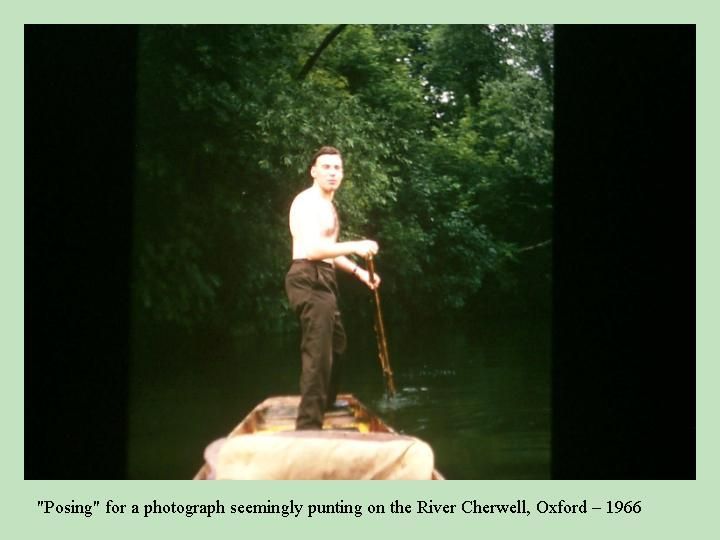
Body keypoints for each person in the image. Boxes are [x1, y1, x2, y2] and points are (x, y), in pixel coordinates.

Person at [285, 146, 380, 430]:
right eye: (325, 167)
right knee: (319, 353)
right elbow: (313, 249)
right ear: (313, 171)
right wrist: (357, 245)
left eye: (337, 168)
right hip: (307, 275)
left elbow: (328, 252)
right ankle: (308, 427)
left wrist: (359, 272)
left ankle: (324, 404)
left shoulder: (328, 206)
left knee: (337, 346)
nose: (332, 173)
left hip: (324, 277)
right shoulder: (306, 203)